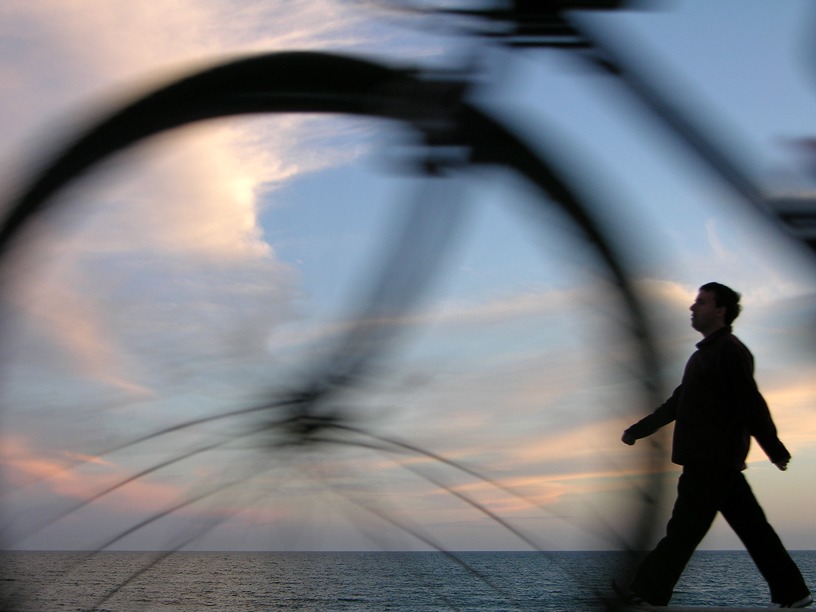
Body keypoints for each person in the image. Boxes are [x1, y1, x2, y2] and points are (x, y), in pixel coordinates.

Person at [614, 282, 812, 608]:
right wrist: (638, 430)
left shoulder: (729, 351)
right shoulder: (703, 356)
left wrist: (773, 448)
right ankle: (795, 593)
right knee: (753, 530)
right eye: (695, 302)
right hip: (715, 461)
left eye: (702, 302)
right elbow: (677, 403)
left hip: (712, 459)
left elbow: (751, 403)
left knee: (684, 530)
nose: (693, 308)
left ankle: (647, 589)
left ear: (720, 311)